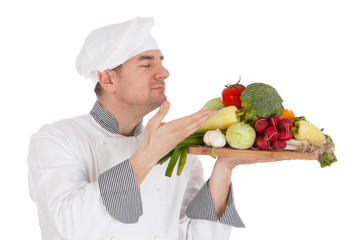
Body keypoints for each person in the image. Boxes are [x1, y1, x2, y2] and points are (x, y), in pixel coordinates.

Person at [27, 17, 248, 240]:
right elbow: (72, 228)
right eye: (146, 63)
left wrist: (224, 167)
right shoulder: (56, 139)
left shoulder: (177, 148)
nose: (164, 72)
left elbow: (199, 236)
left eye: (161, 61)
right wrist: (148, 155)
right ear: (108, 79)